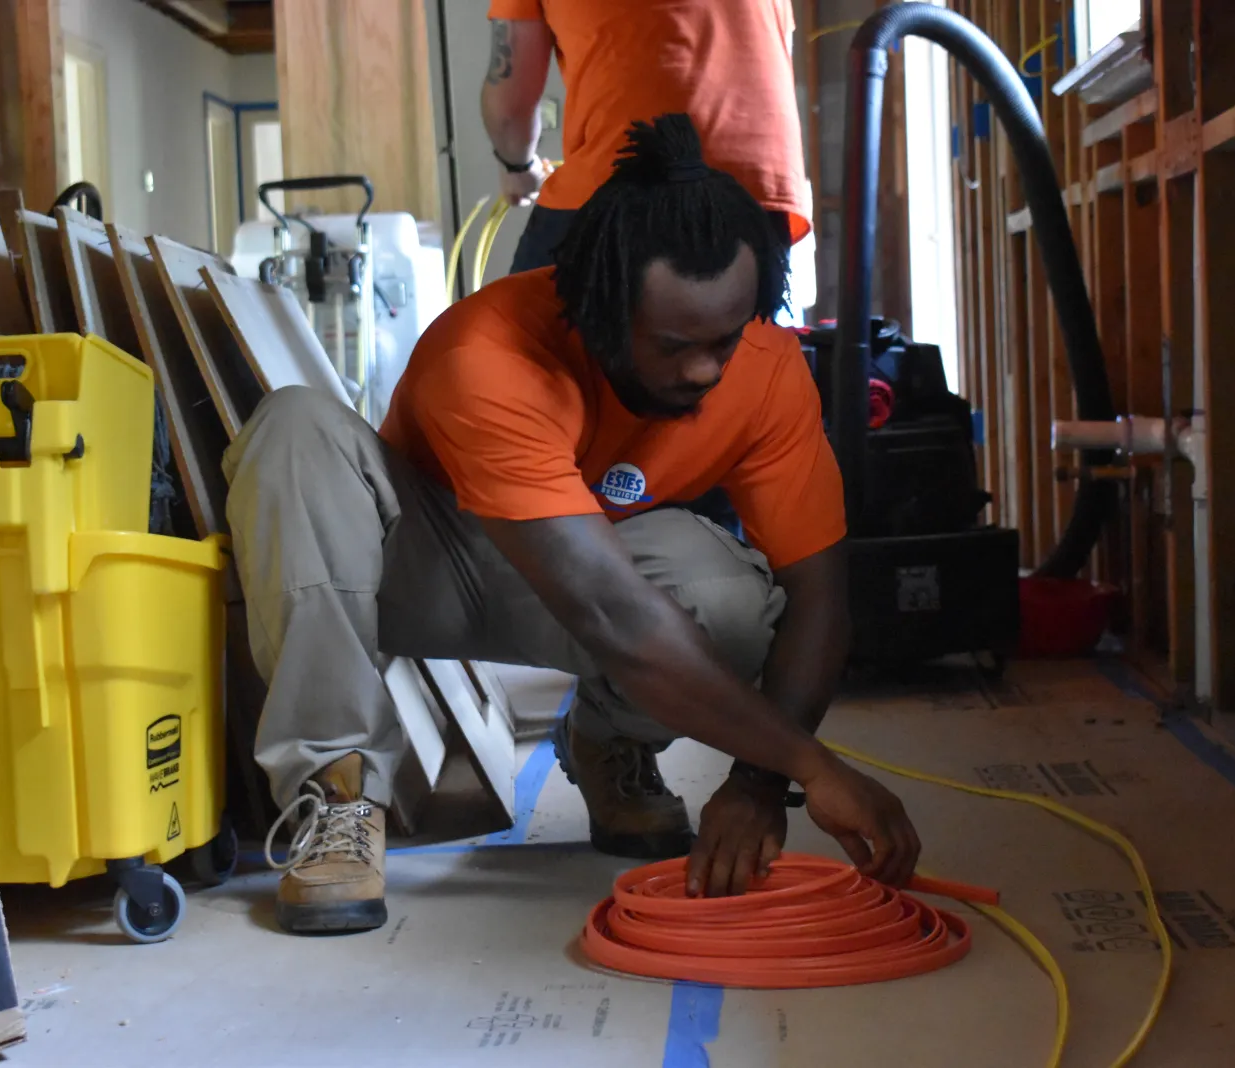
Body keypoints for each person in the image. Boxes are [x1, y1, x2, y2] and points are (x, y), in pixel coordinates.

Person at [223, 115, 919, 936]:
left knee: (729, 598)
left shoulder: (764, 371)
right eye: (672, 344)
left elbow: (819, 592)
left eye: (724, 340)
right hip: (422, 563)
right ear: (593, 307)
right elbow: (612, 615)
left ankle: (608, 745)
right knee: (298, 427)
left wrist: (758, 783)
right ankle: (335, 795)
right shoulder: (490, 349)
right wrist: (809, 763)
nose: (704, 369)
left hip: (581, 567)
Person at [479, 0, 810, 274]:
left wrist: (518, 168)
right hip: (764, 192)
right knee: (739, 349)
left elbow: (510, 109)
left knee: (516, 340)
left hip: (628, 185)